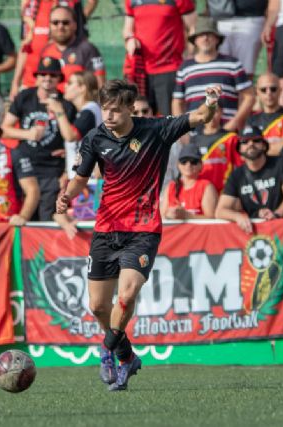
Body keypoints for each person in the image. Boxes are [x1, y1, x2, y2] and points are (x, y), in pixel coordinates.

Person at [56, 80, 221, 391]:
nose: (109, 116)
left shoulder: (157, 130)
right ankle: (126, 357)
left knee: (127, 294)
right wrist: (67, 196)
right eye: (105, 109)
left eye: (116, 110)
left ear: (131, 109)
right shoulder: (94, 138)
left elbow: (200, 116)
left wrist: (210, 103)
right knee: (98, 306)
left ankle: (106, 350)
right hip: (106, 229)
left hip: (143, 230)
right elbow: (80, 179)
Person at [2, 57, 77, 221]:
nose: (47, 78)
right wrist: (27, 134)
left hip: (51, 171)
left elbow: (73, 139)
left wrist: (67, 169)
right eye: (43, 74)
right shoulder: (25, 97)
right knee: (22, 218)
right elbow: (4, 129)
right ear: (36, 77)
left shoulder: (66, 105)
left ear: (59, 79)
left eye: (52, 75)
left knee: (45, 221)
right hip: (24, 168)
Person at [172, 17, 254, 132]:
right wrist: (181, 131)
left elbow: (249, 96)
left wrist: (234, 123)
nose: (205, 38)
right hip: (194, 135)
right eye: (201, 35)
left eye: (209, 34)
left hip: (227, 134)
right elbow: (177, 102)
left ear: (217, 39)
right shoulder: (185, 68)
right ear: (195, 40)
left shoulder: (233, 64)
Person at [215, 126, 283, 232]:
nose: (251, 144)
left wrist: (276, 214)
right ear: (239, 148)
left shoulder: (281, 163)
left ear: (264, 145)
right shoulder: (236, 175)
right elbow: (220, 211)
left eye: (256, 140)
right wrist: (238, 217)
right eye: (245, 142)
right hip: (254, 231)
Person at [123, 0, 197, 116]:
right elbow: (128, 30)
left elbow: (193, 27)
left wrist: (189, 55)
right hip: (140, 72)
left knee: (168, 120)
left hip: (169, 69)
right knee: (140, 119)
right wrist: (130, 39)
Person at [14, 0, 95, 97]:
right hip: (30, 83)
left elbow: (82, 47)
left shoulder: (69, 5)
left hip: (61, 87)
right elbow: (24, 48)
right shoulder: (30, 6)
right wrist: (15, 82)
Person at [39, 6, 106, 90]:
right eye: (55, 23)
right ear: (50, 25)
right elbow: (39, 84)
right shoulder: (46, 51)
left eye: (65, 22)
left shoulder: (88, 50)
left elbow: (100, 85)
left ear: (75, 25)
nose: (60, 26)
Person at [213, 0, 268, 79]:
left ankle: (245, 87)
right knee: (220, 69)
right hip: (221, 16)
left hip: (251, 18)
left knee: (245, 71)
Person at [62, 71, 103, 178]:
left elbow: (71, 136)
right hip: (82, 179)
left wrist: (58, 112)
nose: (65, 86)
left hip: (88, 181)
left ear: (82, 88)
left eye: (70, 83)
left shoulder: (89, 111)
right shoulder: (86, 110)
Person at [160, 144, 218, 219]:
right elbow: (162, 216)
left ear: (201, 165)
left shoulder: (206, 186)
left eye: (193, 162)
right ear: (178, 164)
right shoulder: (171, 187)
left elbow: (211, 218)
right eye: (184, 161)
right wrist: (169, 215)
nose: (188, 165)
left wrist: (186, 215)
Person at [246, 72, 283, 151]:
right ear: (257, 92)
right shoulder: (251, 120)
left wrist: (257, 150)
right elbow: (246, 149)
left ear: (280, 90)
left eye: (273, 89)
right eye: (263, 90)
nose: (269, 93)